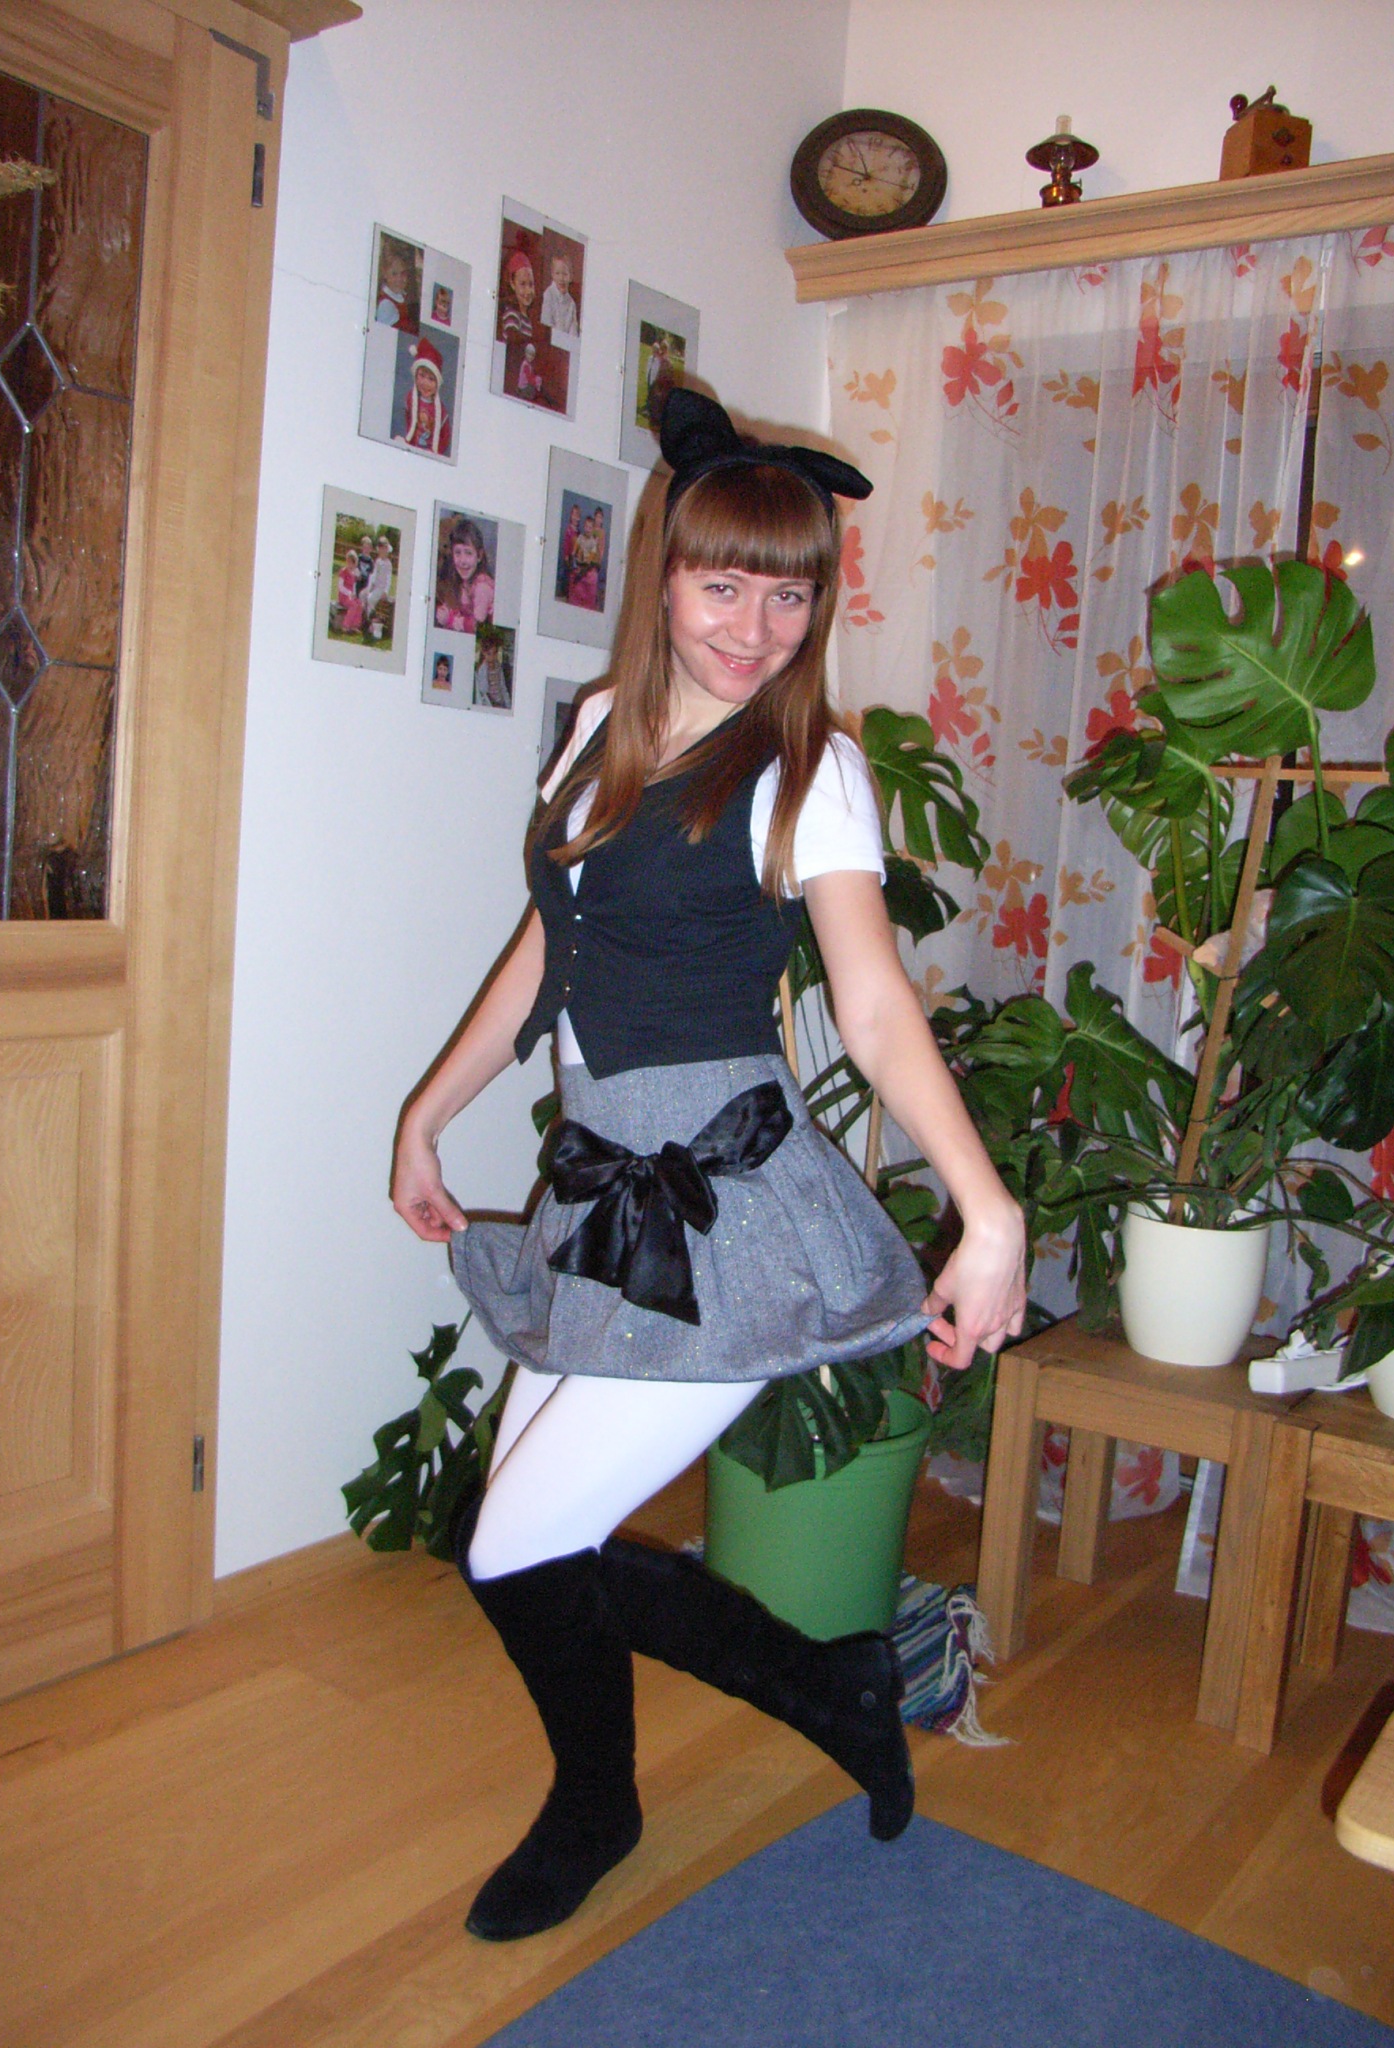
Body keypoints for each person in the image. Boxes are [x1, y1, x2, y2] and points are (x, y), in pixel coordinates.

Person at [391, 387, 1026, 1945]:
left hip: (721, 1201)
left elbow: (873, 1008)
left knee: (515, 1544)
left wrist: (987, 1209)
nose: (756, 629)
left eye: (790, 595)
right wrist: (428, 1112)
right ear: (663, 573)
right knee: (523, 1533)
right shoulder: (601, 729)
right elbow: (549, 949)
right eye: (725, 584)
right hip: (602, 1182)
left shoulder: (810, 771)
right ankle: (769, 1716)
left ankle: (672, 1765)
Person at [434, 518, 496, 632]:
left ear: (479, 556)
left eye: (468, 553)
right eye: (457, 553)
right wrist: (446, 611)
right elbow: (460, 608)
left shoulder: (482, 587)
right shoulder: (463, 581)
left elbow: (477, 627)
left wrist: (450, 620)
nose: (462, 561)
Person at [395, 335, 451, 456]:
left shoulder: (441, 411)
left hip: (430, 454)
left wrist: (436, 453)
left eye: (431, 379)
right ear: (415, 376)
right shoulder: (410, 399)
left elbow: (445, 436)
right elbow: (407, 420)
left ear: (437, 383)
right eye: (422, 376)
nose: (425, 383)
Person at [540, 252, 579, 335]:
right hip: (550, 338)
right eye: (557, 273)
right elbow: (546, 323)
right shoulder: (548, 295)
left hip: (565, 341)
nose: (561, 278)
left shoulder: (571, 303)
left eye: (565, 274)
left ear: (570, 277)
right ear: (552, 275)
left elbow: (573, 331)